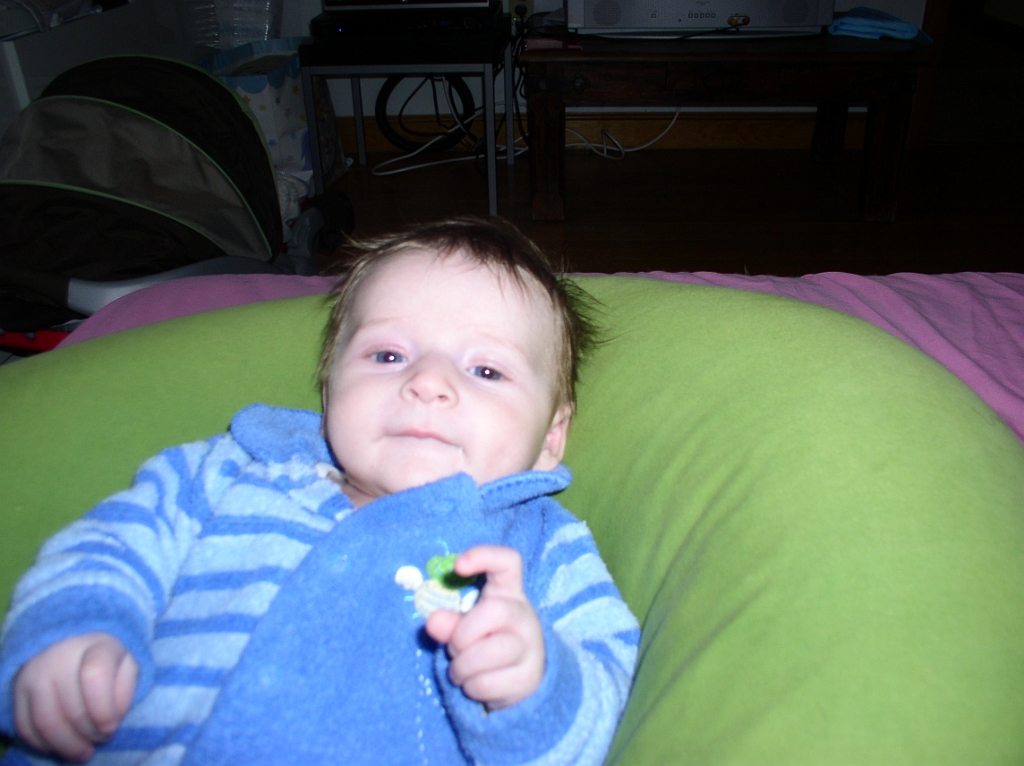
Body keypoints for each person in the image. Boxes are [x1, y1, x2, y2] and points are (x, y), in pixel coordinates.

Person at [0, 217, 640, 766]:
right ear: (330, 386)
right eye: (388, 356)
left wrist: (535, 682)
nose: (427, 382)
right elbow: (108, 547)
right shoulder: (229, 470)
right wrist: (73, 629)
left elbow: (603, 695)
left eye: (486, 369)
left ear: (550, 437)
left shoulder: (540, 547)